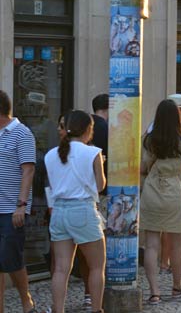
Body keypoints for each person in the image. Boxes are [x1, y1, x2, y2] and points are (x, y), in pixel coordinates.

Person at [140, 99, 181, 305]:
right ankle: (177, 286)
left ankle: (154, 292)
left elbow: (143, 167)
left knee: (151, 245)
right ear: (177, 118)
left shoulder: (149, 140)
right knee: (176, 246)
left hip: (151, 192)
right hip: (174, 195)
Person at [45, 111, 106, 313]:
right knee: (96, 266)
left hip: (59, 211)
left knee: (61, 268)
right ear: (88, 130)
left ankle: (58, 310)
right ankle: (96, 309)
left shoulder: (50, 155)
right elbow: (100, 186)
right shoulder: (93, 152)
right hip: (82, 210)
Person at [0, 90, 38, 313]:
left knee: (11, 259)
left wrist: (21, 205)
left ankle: (26, 300)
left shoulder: (22, 134)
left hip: (11, 209)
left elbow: (28, 170)